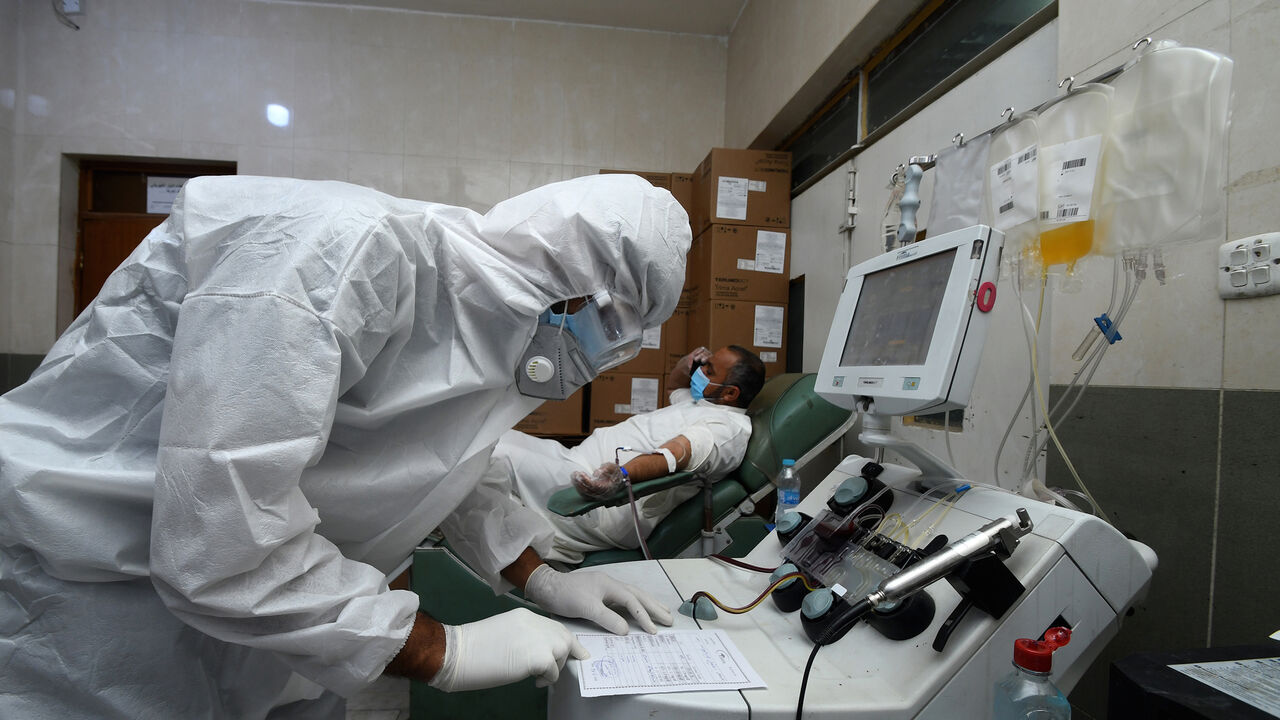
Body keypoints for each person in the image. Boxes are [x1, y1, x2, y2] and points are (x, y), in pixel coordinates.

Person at [0, 173, 689, 718]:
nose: (610, 353)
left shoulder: (494, 328)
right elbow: (218, 540)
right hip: (89, 595)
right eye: (613, 325)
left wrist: (541, 577)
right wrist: (440, 650)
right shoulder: (335, 256)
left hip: (263, 629)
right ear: (571, 282)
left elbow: (449, 468)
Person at [464, 345, 765, 567]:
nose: (701, 372)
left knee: (490, 453)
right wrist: (688, 364)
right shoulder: (703, 403)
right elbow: (675, 386)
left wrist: (621, 476)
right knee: (494, 437)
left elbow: (677, 455)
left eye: (709, 370)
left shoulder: (726, 429)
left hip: (602, 501)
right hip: (574, 460)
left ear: (731, 393)